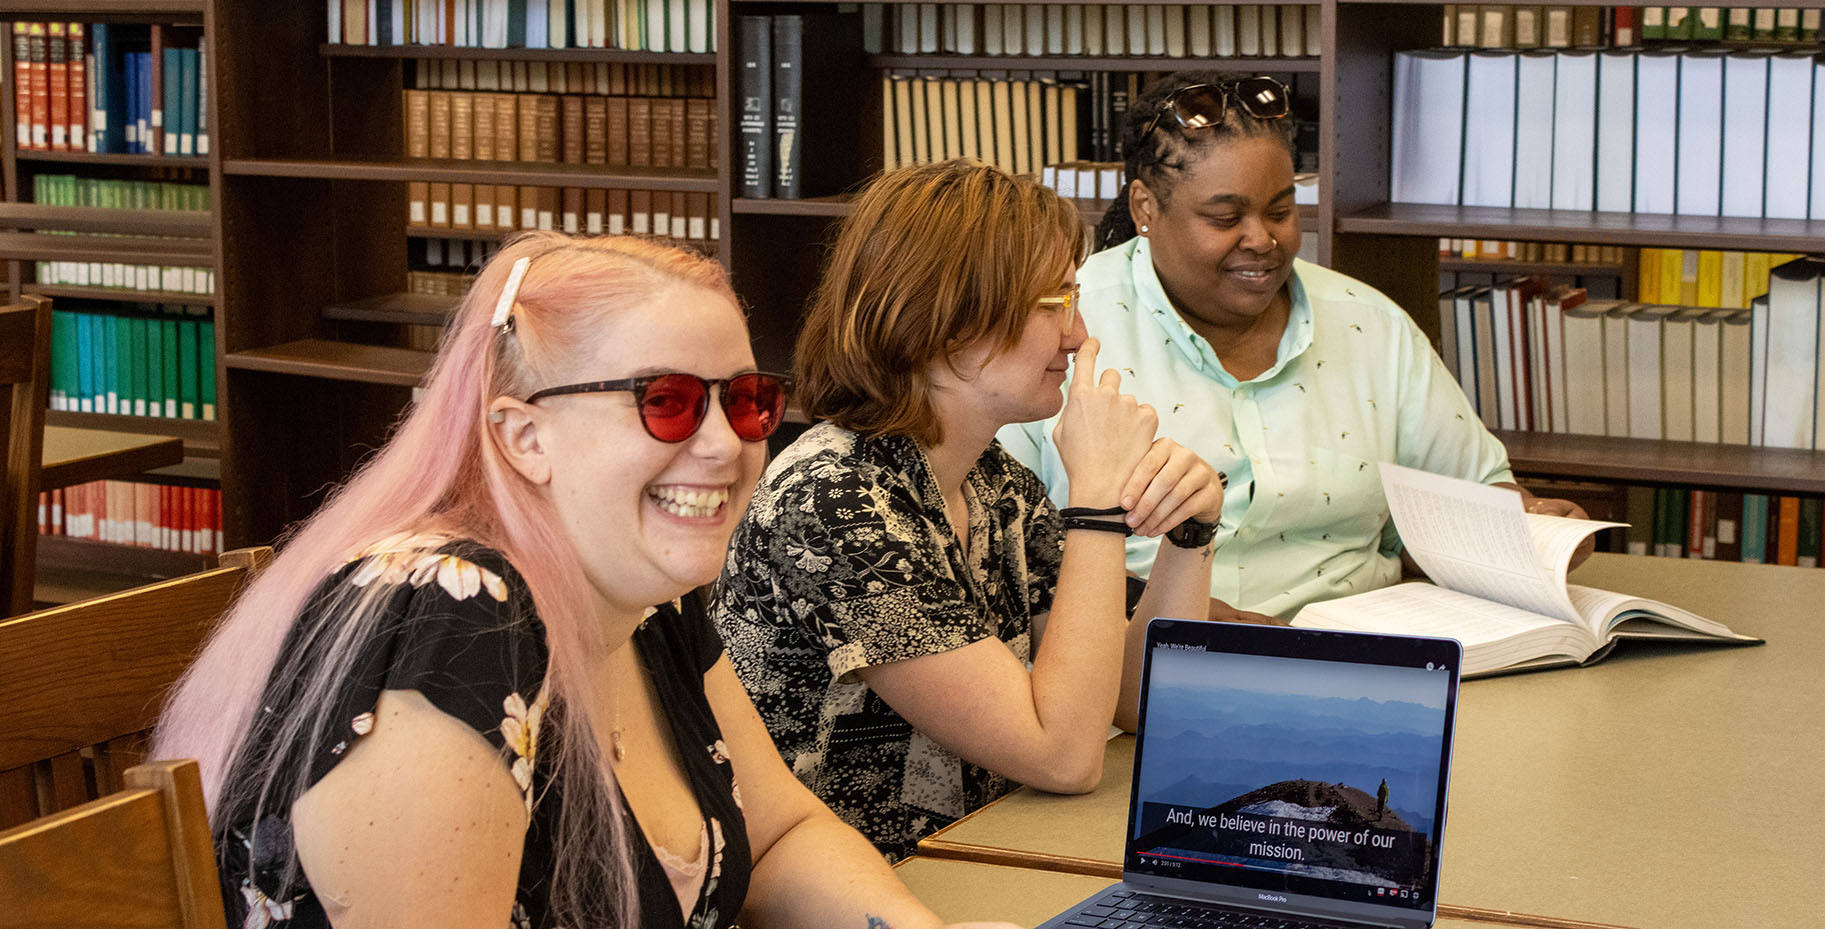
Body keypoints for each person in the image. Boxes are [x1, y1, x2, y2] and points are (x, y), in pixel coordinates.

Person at [153, 232, 1019, 929]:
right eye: (667, 401)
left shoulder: (650, 598)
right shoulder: (450, 616)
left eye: (746, 399)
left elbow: (782, 832)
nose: (725, 444)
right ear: (524, 436)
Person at [713, 161, 1227, 862]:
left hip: (979, 855)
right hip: (864, 893)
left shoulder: (993, 482)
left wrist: (1189, 537)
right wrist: (1097, 501)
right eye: (1053, 303)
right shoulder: (834, 502)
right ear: (946, 320)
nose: (1076, 336)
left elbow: (1144, 706)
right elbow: (1062, 754)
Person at [999, 71, 1591, 623]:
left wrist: (1535, 527)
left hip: (1367, 657)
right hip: (1140, 670)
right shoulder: (1066, 326)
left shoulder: (1370, 325)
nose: (1262, 240)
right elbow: (1004, 550)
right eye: (1225, 217)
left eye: (1281, 210)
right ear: (1145, 208)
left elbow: (1470, 491)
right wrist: (1232, 633)